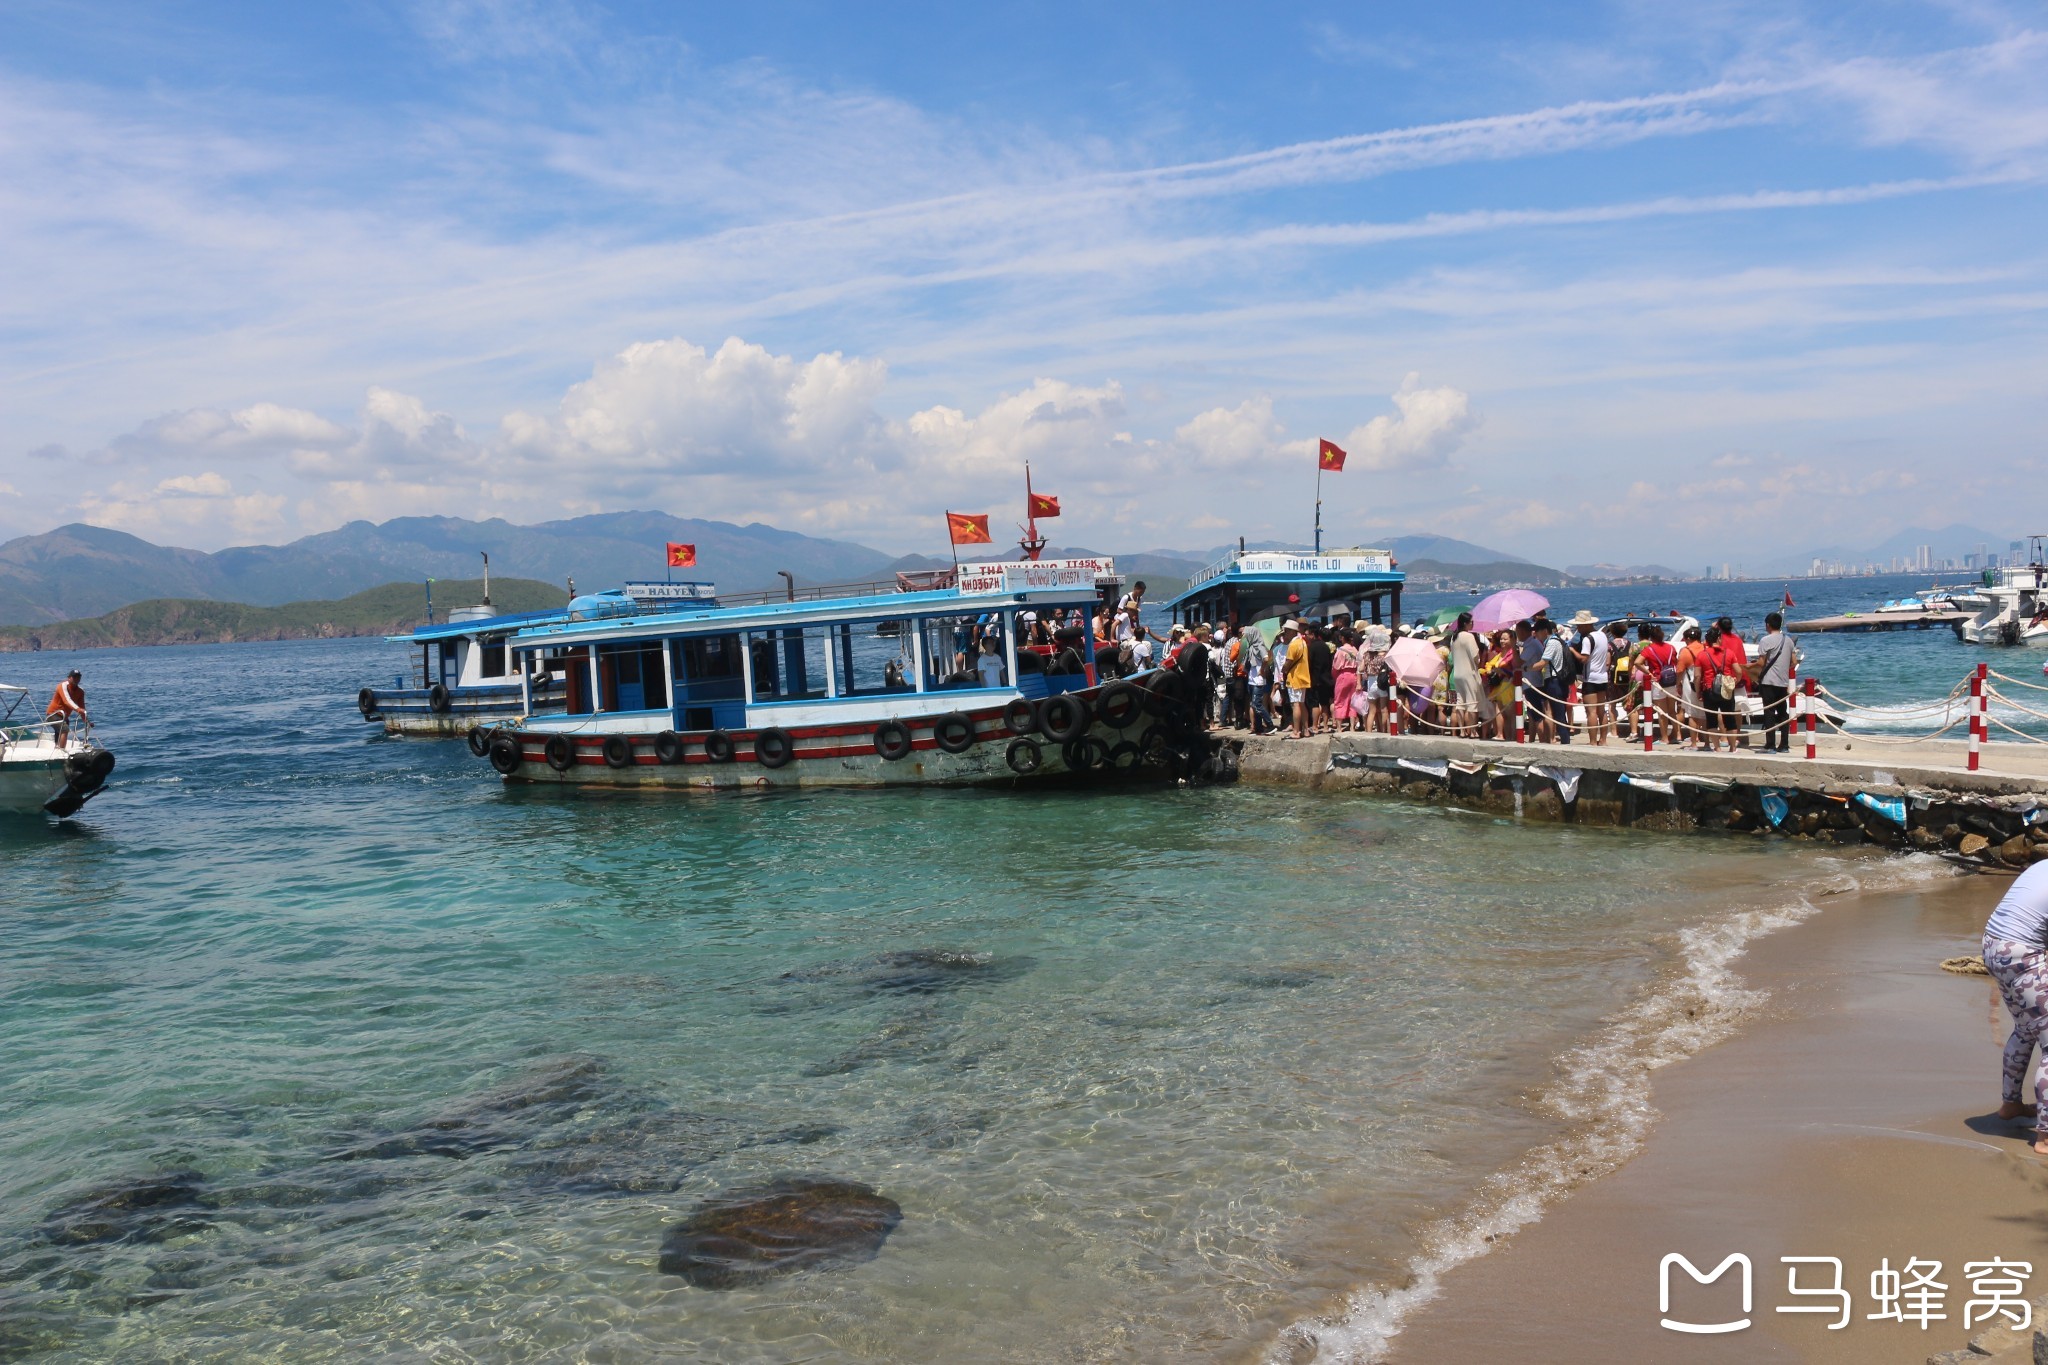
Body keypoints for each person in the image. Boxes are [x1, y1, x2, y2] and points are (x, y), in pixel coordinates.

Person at [1982, 862, 2048, 1153]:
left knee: (2025, 1029)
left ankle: (2011, 1105)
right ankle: (2045, 1138)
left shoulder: (2042, 865)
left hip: (1993, 946)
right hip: (2022, 956)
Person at [1751, 611, 1797, 752]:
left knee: (1769, 713)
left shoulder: (1765, 640)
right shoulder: (1788, 640)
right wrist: (1782, 669)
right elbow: (1794, 662)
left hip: (1768, 681)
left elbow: (1760, 663)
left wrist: (1748, 666)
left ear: (1768, 625)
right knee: (1783, 713)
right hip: (1782, 682)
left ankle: (1770, 744)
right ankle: (1784, 744)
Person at [1567, 610, 1611, 745]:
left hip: (1590, 677)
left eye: (1579, 626)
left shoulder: (1588, 639)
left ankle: (1592, 741)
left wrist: (1572, 650)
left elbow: (1584, 659)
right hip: (1602, 676)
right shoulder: (1603, 635)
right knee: (1601, 710)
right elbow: (1607, 655)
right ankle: (1603, 740)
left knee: (1591, 711)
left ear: (1586, 625)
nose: (1578, 629)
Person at [1447, 612, 1484, 737]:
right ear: (1465, 623)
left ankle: (1462, 730)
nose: (1472, 624)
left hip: (1457, 673)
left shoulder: (1454, 637)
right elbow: (1475, 656)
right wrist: (1479, 661)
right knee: (1472, 702)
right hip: (1469, 673)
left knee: (1460, 702)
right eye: (1471, 622)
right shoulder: (1468, 636)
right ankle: (1472, 731)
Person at [1674, 624, 1709, 750]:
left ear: (1688, 638)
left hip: (1690, 684)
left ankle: (1694, 743)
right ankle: (1707, 744)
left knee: (1692, 714)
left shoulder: (1685, 651)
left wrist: (1678, 684)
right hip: (1705, 683)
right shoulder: (1706, 648)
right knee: (1706, 714)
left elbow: (1679, 671)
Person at [1281, 619, 1312, 739]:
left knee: (1295, 705)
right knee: (1302, 704)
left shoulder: (1293, 644)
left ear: (1291, 631)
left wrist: (1283, 669)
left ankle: (1296, 731)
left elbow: (1288, 662)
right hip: (1303, 676)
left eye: (1286, 632)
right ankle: (1306, 730)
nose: (1285, 634)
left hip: (1295, 677)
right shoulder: (1302, 642)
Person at [1306, 623, 1335, 735]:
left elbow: (1309, 663)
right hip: (1326, 679)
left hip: (1315, 679)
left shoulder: (1311, 647)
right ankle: (1326, 726)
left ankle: (1315, 726)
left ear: (1313, 634)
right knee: (1324, 704)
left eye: (1308, 634)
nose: (1307, 636)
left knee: (1314, 704)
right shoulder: (1325, 646)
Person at [1331, 629, 1362, 732]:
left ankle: (1339, 727)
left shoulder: (1340, 651)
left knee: (1339, 700)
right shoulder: (1355, 650)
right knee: (1352, 701)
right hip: (1354, 676)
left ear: (1343, 638)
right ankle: (1352, 726)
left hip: (1343, 675)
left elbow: (1336, 667)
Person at [45, 669, 85, 746]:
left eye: (78, 677)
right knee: (64, 730)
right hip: (53, 714)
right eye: (74, 677)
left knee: (59, 732)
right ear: (69, 678)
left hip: (64, 717)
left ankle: (57, 748)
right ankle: (62, 752)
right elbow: (67, 700)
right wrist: (78, 709)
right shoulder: (62, 686)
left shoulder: (80, 691)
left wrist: (86, 721)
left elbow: (82, 707)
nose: (76, 679)